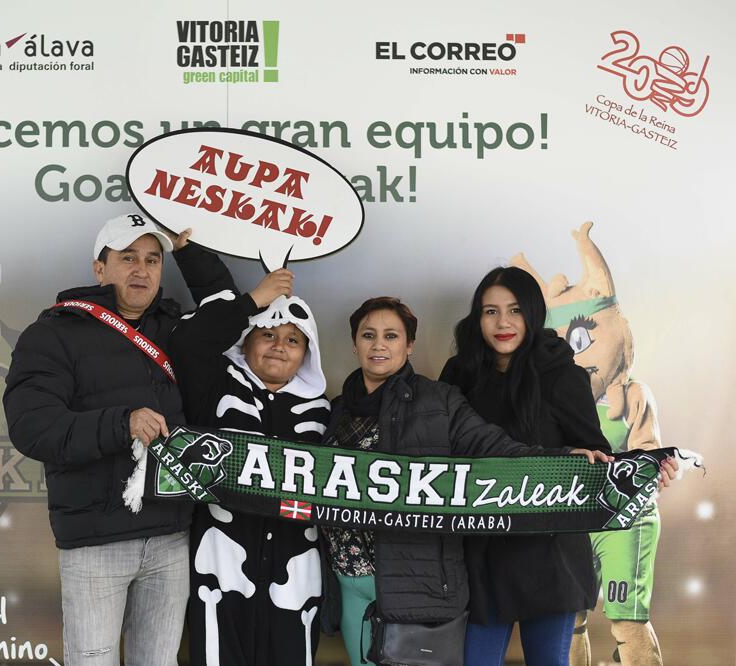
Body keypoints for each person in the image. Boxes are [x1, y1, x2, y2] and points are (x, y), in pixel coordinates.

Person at [317, 297, 613, 666]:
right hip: (348, 582)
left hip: (412, 582)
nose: (379, 345)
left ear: (409, 345)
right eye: (368, 335)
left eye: (391, 335)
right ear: (354, 343)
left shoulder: (440, 401)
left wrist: (560, 458)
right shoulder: (334, 410)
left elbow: (494, 448)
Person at [3, 213, 233, 666]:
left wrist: (189, 252)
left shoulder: (173, 328)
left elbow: (226, 314)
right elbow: (32, 427)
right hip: (96, 541)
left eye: (152, 259)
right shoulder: (53, 334)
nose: (141, 270)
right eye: (127, 257)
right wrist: (120, 423)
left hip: (170, 535)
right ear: (99, 268)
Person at [438, 266, 677, 666]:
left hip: (550, 557)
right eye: (490, 311)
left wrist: (648, 468)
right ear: (476, 317)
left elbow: (599, 459)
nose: (502, 323)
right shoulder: (458, 375)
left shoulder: (562, 374)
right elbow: (439, 455)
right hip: (479, 553)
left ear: (532, 314)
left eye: (514, 310)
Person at [169, 256, 329, 666]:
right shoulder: (214, 386)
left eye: (293, 340)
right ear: (247, 341)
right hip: (220, 567)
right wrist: (194, 255)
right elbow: (189, 341)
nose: (279, 345)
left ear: (307, 352)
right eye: (268, 334)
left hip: (295, 570)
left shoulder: (329, 414)